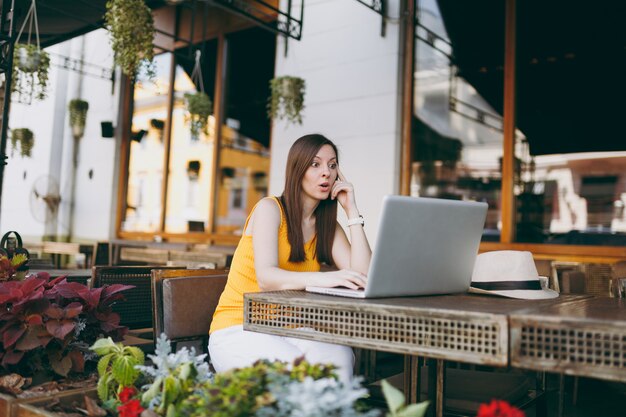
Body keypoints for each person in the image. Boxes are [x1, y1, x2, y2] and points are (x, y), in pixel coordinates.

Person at [208, 134, 372, 382]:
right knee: (300, 376)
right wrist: (326, 279)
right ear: (297, 170)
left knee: (340, 358)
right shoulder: (269, 209)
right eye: (315, 164)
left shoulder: (326, 226)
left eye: (332, 164)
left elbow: (363, 276)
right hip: (238, 327)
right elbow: (267, 278)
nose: (326, 172)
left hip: (287, 327)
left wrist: (352, 211)